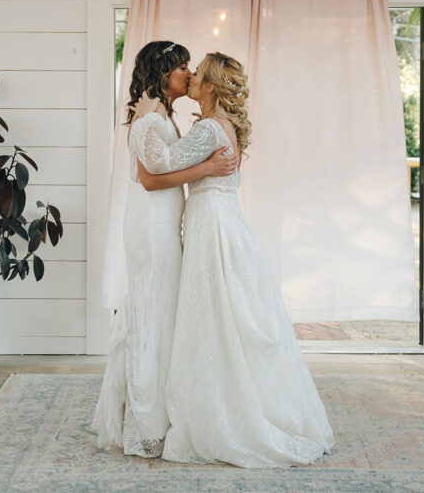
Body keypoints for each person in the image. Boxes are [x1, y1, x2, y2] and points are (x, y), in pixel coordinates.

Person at [133, 52, 335, 468]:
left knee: (213, 320)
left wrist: (143, 127)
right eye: (185, 69)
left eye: (197, 72)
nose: (189, 75)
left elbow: (162, 166)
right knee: (222, 320)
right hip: (221, 220)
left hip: (213, 226)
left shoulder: (209, 129)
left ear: (209, 87)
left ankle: (224, 416)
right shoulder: (216, 126)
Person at [93, 41, 238, 458]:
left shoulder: (163, 117)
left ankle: (159, 412)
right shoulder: (147, 120)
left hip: (162, 222)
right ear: (162, 73)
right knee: (155, 309)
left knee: (164, 309)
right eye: (182, 69)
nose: (189, 75)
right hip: (150, 225)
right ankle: (146, 423)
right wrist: (208, 168)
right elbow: (152, 178)